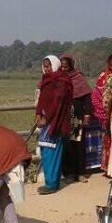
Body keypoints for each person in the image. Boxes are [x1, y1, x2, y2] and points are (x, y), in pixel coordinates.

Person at [35, 55, 73, 194]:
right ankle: (50, 181)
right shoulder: (46, 81)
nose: (46, 69)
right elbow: (42, 100)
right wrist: (38, 114)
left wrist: (47, 117)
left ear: (55, 65)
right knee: (46, 151)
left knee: (52, 153)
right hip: (46, 121)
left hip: (56, 122)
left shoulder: (62, 81)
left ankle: (52, 184)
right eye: (44, 66)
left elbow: (58, 103)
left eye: (49, 66)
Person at [60, 53, 94, 183]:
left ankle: (80, 172)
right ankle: (68, 173)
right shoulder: (59, 79)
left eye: (66, 67)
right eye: (62, 67)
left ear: (71, 66)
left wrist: (87, 115)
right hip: (63, 118)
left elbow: (86, 98)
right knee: (65, 145)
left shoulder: (78, 78)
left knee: (78, 145)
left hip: (77, 117)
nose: (64, 70)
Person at [92, 54, 112, 169]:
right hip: (106, 115)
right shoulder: (103, 77)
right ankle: (109, 168)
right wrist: (105, 114)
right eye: (111, 65)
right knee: (107, 141)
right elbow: (96, 96)